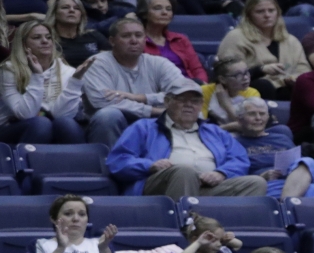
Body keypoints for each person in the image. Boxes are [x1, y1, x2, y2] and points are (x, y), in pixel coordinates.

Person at [106, 81, 268, 198]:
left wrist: (221, 172)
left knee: (256, 183)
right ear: (167, 102)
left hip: (207, 188)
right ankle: (185, 228)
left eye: (195, 101)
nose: (189, 105)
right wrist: (149, 165)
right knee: (184, 171)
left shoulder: (214, 131)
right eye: (182, 100)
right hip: (163, 186)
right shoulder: (144, 127)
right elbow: (117, 161)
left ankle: (230, 234)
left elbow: (240, 160)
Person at [82, 18, 185, 147]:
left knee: (186, 112)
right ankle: (108, 163)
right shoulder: (97, 63)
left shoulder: (160, 63)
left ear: (145, 39)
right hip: (116, 124)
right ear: (112, 41)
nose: (134, 41)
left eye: (139, 35)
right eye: (126, 36)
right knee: (108, 114)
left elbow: (183, 94)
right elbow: (103, 102)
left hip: (152, 123)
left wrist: (142, 98)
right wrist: (154, 110)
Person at [0, 21, 88, 145]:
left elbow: (62, 115)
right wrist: (37, 76)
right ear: (23, 44)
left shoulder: (68, 72)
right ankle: (26, 164)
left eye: (48, 37)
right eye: (37, 38)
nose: (45, 41)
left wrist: (75, 82)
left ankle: (83, 162)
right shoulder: (9, 70)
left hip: (52, 125)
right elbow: (25, 114)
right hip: (11, 129)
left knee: (66, 123)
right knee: (41, 123)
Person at [234, 98, 314, 198]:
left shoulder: (282, 138)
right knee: (313, 190)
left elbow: (302, 168)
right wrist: (261, 178)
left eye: (262, 114)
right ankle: (290, 203)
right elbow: (234, 180)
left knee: (307, 162)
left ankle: (286, 204)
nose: (258, 118)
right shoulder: (235, 144)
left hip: (294, 180)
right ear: (240, 119)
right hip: (268, 186)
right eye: (252, 114)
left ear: (267, 117)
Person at [138, 0, 206, 83]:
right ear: (144, 13)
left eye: (168, 9)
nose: (164, 12)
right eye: (157, 8)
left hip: (190, 88)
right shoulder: (137, 41)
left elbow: (197, 69)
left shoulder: (180, 39)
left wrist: (202, 85)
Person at [45, 0, 107, 69]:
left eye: (77, 8)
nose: (71, 10)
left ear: (81, 14)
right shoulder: (47, 40)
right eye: (65, 7)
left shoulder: (94, 35)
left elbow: (110, 60)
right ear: (54, 13)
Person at [201, 56, 260, 131]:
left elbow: (249, 125)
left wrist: (226, 104)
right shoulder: (204, 91)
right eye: (238, 75)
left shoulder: (252, 93)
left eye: (246, 72)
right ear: (222, 79)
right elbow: (201, 126)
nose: (245, 77)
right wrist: (233, 126)